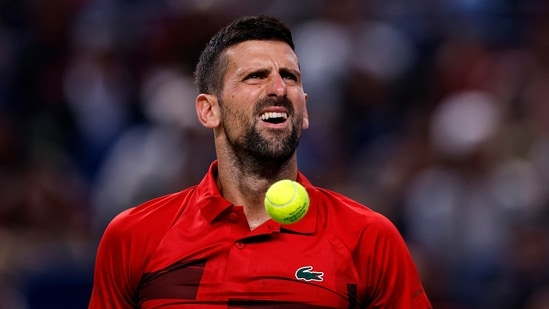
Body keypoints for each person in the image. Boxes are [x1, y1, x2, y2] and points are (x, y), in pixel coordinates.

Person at [88, 15, 432, 308]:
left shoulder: (368, 238)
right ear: (210, 110)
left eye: (290, 77)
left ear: (305, 110)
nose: (279, 89)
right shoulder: (134, 236)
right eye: (256, 76)